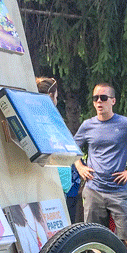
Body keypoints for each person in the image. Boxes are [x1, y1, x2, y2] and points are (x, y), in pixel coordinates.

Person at [73, 83, 127, 253]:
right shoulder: (87, 125)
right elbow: (72, 149)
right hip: (93, 189)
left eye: (103, 98)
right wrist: (80, 166)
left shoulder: (126, 124)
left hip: (117, 191)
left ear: (113, 101)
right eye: (95, 98)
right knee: (96, 238)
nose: (99, 102)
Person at [36, 77, 81, 220]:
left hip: (53, 181)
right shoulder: (50, 118)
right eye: (56, 96)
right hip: (55, 183)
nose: (57, 100)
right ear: (50, 96)